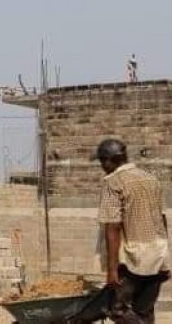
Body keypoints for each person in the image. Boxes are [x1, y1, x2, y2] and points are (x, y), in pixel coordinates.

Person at [86, 139, 169, 324]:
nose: (102, 166)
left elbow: (113, 226)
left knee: (115, 309)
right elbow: (162, 219)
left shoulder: (113, 182)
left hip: (133, 259)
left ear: (109, 160)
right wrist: (165, 259)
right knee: (144, 310)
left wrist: (112, 269)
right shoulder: (151, 179)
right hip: (157, 254)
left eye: (102, 162)